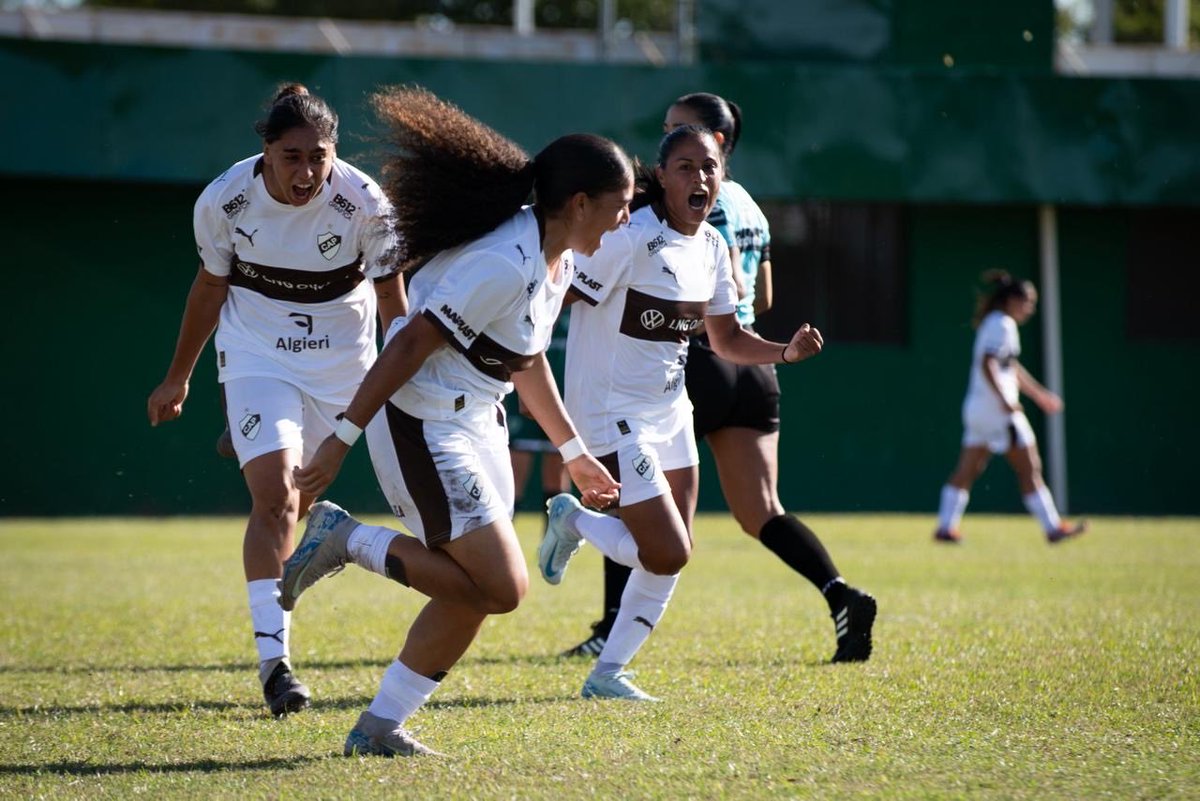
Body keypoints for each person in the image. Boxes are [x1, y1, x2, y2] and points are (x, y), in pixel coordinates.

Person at [279, 86, 630, 756]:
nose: (621, 221)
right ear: (580, 202)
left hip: (475, 422)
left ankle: (378, 727)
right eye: (616, 208)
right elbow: (407, 343)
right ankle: (345, 537)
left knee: (475, 591)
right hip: (420, 422)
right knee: (502, 586)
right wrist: (342, 437)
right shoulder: (503, 260)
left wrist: (575, 450)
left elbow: (524, 361)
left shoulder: (554, 259)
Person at [560, 92, 877, 664]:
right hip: (686, 385)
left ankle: (607, 637)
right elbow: (766, 295)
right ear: (661, 173)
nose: (698, 173)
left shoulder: (708, 236)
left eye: (702, 157)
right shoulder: (678, 223)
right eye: (680, 159)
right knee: (750, 514)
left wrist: (784, 351)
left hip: (700, 368)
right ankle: (838, 592)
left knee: (663, 535)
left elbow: (726, 332)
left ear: (721, 152)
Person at [146, 83, 406, 717]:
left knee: (298, 503)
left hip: (343, 364)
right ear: (264, 150)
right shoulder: (225, 200)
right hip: (259, 353)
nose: (307, 171)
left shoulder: (365, 201)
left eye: (319, 155)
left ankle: (256, 436)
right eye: (292, 156)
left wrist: (405, 371)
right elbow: (210, 288)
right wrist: (178, 376)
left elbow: (394, 299)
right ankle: (274, 664)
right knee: (274, 500)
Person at [934, 271, 1088, 544]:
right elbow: (988, 363)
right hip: (999, 412)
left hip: (978, 409)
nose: (1030, 309)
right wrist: (1006, 401)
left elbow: (1010, 367)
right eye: (1028, 302)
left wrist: (1040, 395)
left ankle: (945, 527)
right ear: (1012, 300)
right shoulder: (1002, 324)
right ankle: (1052, 527)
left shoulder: (995, 323)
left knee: (968, 468)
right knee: (1030, 466)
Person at [506, 309, 572, 524]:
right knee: (515, 474)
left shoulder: (579, 304)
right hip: (525, 394)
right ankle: (504, 540)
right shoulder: (534, 298)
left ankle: (553, 546)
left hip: (564, 396)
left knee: (556, 473)